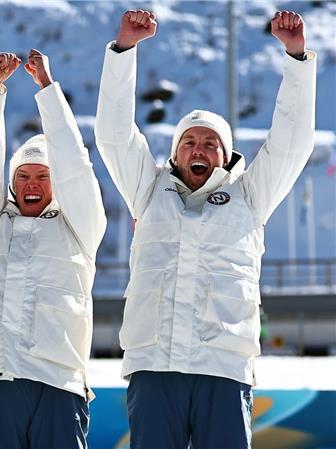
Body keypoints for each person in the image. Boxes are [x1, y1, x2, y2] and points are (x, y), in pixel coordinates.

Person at [94, 9, 316, 449]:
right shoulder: (148, 188)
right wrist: (123, 50)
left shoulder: (251, 194)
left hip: (223, 368)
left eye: (210, 143)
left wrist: (295, 58)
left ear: (226, 154)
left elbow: (291, 142)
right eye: (189, 142)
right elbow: (114, 134)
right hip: (154, 366)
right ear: (175, 153)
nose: (200, 149)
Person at [0, 49, 106, 449]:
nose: (32, 184)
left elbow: (76, 165)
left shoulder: (79, 227)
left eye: (43, 176)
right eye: (22, 176)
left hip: (58, 382)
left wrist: (47, 90)